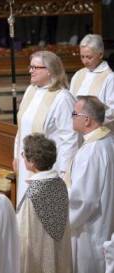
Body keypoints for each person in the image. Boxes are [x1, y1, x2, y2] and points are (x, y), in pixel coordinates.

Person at [13, 50, 79, 205]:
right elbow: (21, 127)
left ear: (50, 71)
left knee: (44, 210)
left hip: (49, 168)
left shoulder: (62, 98)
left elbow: (70, 138)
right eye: (30, 67)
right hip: (26, 163)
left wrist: (64, 172)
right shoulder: (31, 90)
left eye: (35, 67)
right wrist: (16, 154)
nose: (30, 70)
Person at [68, 96, 114, 273]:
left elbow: (84, 200)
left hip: (88, 230)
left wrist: (62, 219)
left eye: (74, 113)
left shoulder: (91, 152)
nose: (71, 116)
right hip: (105, 222)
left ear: (86, 120)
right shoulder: (108, 141)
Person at [17, 133, 72, 273]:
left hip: (37, 259)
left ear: (32, 162)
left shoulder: (34, 193)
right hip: (57, 251)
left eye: (24, 154)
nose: (22, 157)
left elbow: (22, 233)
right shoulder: (59, 183)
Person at [70, 34, 114, 130]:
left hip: (100, 131)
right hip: (79, 130)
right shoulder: (78, 75)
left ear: (100, 55)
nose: (85, 61)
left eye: (89, 57)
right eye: (82, 57)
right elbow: (71, 103)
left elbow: (112, 110)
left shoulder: (110, 77)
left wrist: (91, 121)